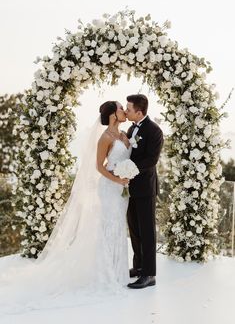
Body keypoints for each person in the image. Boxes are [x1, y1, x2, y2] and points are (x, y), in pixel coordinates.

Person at [0, 101, 133, 312]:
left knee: (118, 227)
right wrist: (117, 180)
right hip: (110, 188)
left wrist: (126, 174)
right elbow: (99, 166)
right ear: (112, 115)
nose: (123, 110)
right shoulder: (105, 138)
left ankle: (119, 272)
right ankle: (107, 274)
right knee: (109, 226)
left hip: (122, 190)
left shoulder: (125, 134)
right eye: (119, 108)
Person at [125, 94, 164, 289]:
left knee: (147, 233)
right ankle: (139, 267)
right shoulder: (132, 128)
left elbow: (151, 160)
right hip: (130, 188)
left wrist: (127, 169)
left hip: (146, 188)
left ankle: (149, 274)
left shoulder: (154, 130)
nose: (126, 111)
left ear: (139, 112)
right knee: (134, 230)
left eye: (129, 109)